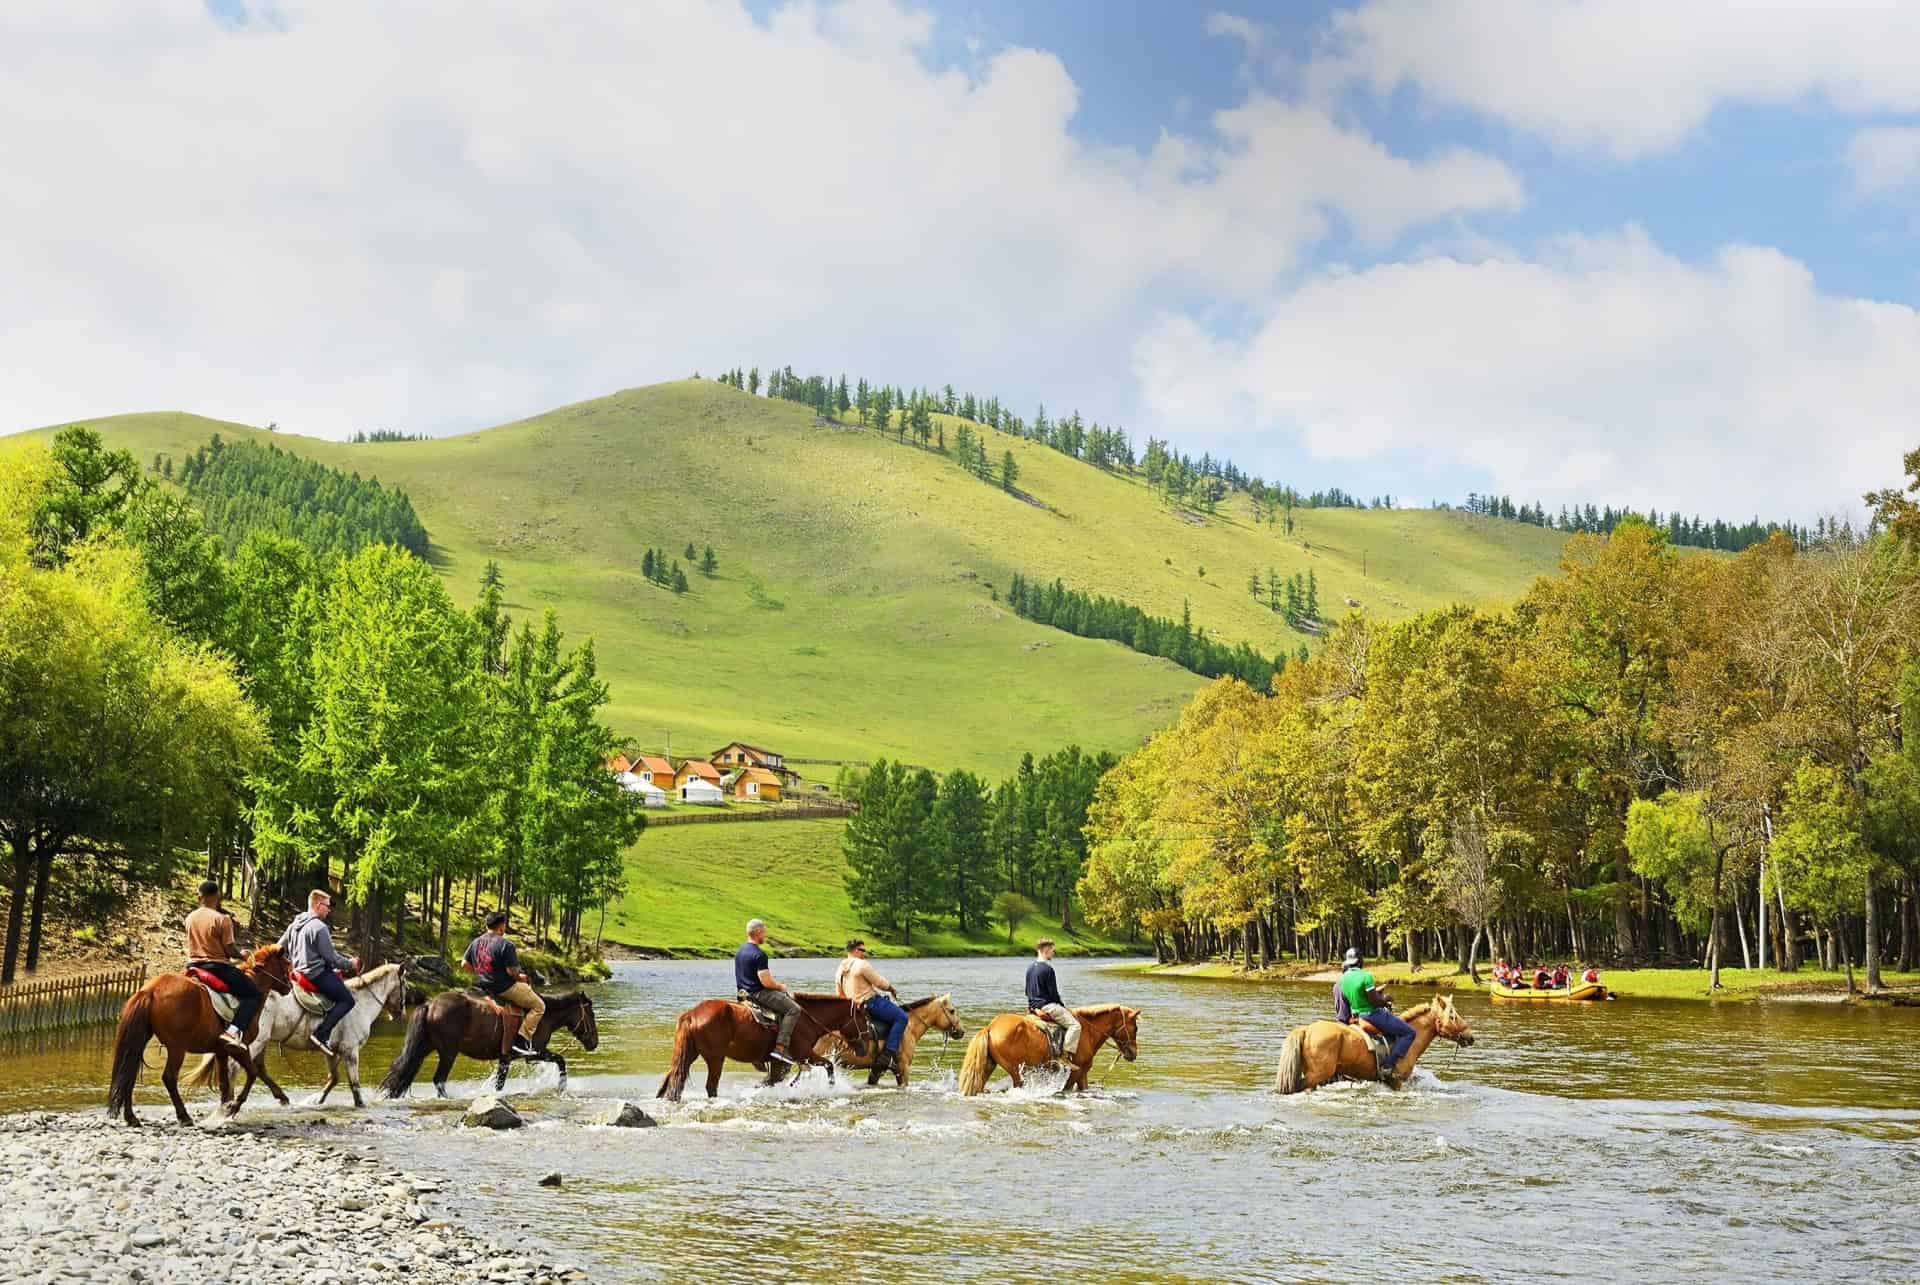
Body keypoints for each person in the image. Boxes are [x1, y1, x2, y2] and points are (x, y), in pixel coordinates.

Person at [277, 889, 360, 1054]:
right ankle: (321, 1034)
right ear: (316, 904)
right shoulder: (320, 928)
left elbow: (279, 947)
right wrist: (350, 964)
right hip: (316, 975)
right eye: (327, 906)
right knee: (347, 1000)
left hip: (298, 974)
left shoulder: (294, 924)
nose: (329, 910)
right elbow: (332, 958)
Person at [184, 879, 260, 1053]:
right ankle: (233, 1031)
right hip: (216, 968)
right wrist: (243, 955)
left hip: (193, 966)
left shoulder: (189, 918)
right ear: (217, 897)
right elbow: (229, 948)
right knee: (254, 994)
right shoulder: (222, 919)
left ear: (199, 897)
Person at [462, 910, 542, 1059]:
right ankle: (521, 1041)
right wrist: (522, 977)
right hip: (504, 988)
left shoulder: (476, 942)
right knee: (539, 1006)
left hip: (483, 987)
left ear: (487, 925)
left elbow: (464, 963)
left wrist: (482, 972)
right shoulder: (506, 944)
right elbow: (512, 972)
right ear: (502, 926)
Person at [835, 939, 908, 1086]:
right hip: (871, 1003)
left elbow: (839, 994)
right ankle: (888, 1053)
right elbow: (879, 982)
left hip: (854, 1007)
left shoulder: (840, 969)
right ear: (855, 951)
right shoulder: (862, 965)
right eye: (862, 950)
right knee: (902, 1017)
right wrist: (892, 989)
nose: (864, 953)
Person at [1336, 948, 1415, 1084]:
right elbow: (1374, 1001)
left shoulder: (1342, 979)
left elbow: (1352, 998)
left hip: (1359, 1016)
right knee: (1409, 1033)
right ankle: (1388, 1066)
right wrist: (1386, 1000)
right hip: (1373, 1015)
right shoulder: (1367, 976)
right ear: (1360, 961)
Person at [735, 918, 802, 1064]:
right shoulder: (759, 954)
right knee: (794, 1009)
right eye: (764, 932)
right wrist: (780, 986)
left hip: (742, 995)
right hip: (758, 994)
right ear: (758, 932)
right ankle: (780, 1048)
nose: (765, 935)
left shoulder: (740, 951)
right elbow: (766, 982)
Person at [1025, 939, 1081, 1064]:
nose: (1053, 953)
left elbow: (1027, 992)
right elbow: (1053, 995)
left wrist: (1033, 1006)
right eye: (1052, 951)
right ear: (1046, 951)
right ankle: (1065, 1055)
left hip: (1033, 1007)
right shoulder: (1048, 969)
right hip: (1047, 1006)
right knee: (1075, 1026)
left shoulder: (1030, 968)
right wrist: (1063, 1007)